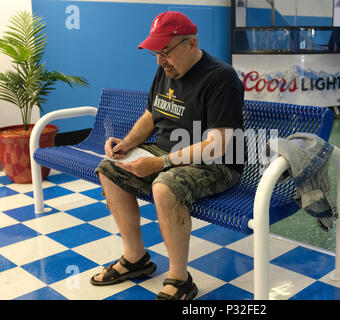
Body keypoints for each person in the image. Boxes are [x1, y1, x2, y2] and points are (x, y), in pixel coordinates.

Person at [89, 11, 244, 301]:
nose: (160, 61)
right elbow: (151, 116)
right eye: (156, 54)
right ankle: (136, 258)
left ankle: (180, 279)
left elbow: (219, 144)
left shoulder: (220, 78)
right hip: (166, 152)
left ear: (192, 44)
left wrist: (159, 163)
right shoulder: (166, 70)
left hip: (216, 163)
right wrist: (126, 143)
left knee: (165, 187)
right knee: (109, 168)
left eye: (166, 52)